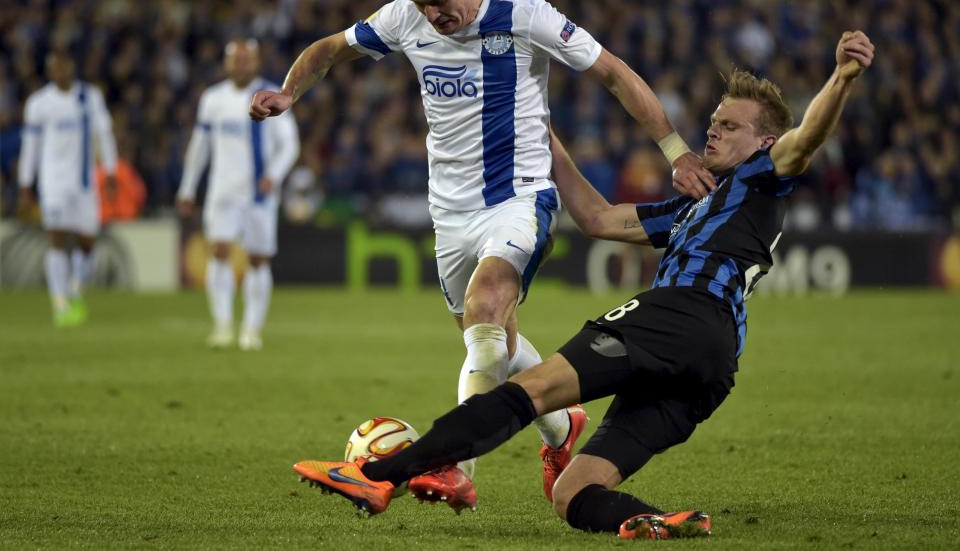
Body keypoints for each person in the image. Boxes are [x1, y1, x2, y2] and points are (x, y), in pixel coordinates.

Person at [291, 31, 875, 539]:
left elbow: (806, 140)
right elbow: (598, 219)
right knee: (573, 494)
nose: (712, 131)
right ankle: (655, 520)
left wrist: (841, 78)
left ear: (763, 142)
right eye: (713, 121)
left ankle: (378, 477)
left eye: (729, 125)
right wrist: (543, 137)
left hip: (679, 315)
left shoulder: (762, 178)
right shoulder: (694, 204)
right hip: (710, 367)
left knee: (530, 392)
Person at [250, 0, 715, 504]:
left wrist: (675, 151)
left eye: (442, 1)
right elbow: (328, 49)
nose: (434, 14)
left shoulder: (525, 15)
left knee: (487, 306)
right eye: (422, 3)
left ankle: (453, 465)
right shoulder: (403, 17)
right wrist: (290, 93)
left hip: (520, 197)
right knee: (488, 340)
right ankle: (561, 424)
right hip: (449, 212)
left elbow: (614, 74)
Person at [177, 39, 300, 351]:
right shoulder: (213, 99)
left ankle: (251, 329)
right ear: (227, 63)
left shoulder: (273, 94)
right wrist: (188, 187)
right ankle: (222, 325)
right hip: (223, 191)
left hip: (259, 193)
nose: (241, 65)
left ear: (256, 63)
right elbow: (199, 147)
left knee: (257, 260)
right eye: (236, 60)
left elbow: (289, 145)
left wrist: (273, 175)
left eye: (247, 60)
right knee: (219, 251)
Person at [17, 50, 118, 328]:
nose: (60, 72)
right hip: (54, 182)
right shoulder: (40, 104)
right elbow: (31, 147)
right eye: (55, 68)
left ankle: (74, 288)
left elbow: (104, 134)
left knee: (88, 243)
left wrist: (110, 170)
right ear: (49, 71)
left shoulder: (89, 97)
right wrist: (27, 183)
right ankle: (60, 302)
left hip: (85, 184)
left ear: (72, 67)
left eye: (64, 66)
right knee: (58, 239)